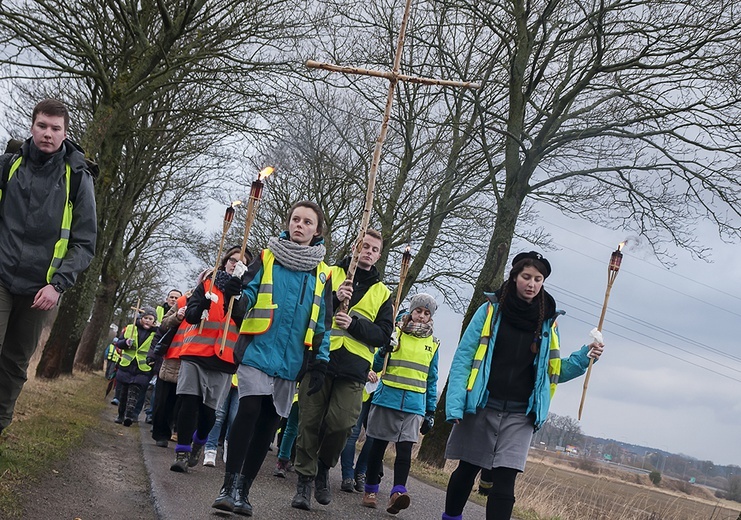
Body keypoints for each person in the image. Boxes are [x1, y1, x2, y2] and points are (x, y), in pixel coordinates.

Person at [442, 251, 604, 520]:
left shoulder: (548, 322)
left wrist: (584, 358)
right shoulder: (490, 311)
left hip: (521, 414)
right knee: (467, 470)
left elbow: (554, 371)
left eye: (538, 279)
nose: (532, 283)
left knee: (505, 481)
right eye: (526, 277)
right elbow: (463, 359)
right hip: (481, 406)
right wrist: (456, 404)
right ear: (515, 277)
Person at [211, 201, 333, 517]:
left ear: (316, 230)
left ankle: (244, 491)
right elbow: (247, 299)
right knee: (249, 409)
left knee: (268, 422)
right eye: (295, 219)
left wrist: (320, 360)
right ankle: (227, 485)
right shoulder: (267, 257)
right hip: (257, 350)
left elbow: (323, 322)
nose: (300, 225)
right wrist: (236, 294)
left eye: (307, 222)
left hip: (291, 363)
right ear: (288, 223)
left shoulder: (323, 273)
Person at [0, 99, 97, 435]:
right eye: (42, 126)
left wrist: (58, 285)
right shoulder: (9, 164)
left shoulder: (78, 178)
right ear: (32, 127)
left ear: (65, 133)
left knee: (14, 363)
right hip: (1, 274)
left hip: (40, 290)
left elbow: (85, 243)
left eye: (55, 128)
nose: (47, 133)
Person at [291, 229, 394, 511]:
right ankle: (304, 482)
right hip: (319, 359)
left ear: (379, 255)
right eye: (365, 246)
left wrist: (355, 325)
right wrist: (334, 299)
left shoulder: (383, 292)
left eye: (375, 249)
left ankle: (324, 466)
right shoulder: (329, 274)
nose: (369, 252)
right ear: (355, 247)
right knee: (309, 422)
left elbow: (384, 334)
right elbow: (307, 312)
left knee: (342, 424)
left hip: (353, 369)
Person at [170, 246, 248, 473]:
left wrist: (237, 296)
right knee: (187, 402)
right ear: (225, 262)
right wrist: (202, 304)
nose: (235, 264)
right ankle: (182, 452)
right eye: (232, 260)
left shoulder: (248, 291)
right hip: (195, 352)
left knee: (208, 413)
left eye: (241, 262)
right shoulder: (207, 283)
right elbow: (191, 314)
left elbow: (243, 318)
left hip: (224, 358)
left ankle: (200, 441)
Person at [361, 293, 440, 513]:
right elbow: (377, 364)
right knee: (378, 447)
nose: (421, 316)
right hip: (388, 399)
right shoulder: (395, 333)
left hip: (414, 405)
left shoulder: (433, 343)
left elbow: (431, 379)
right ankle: (370, 489)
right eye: (418, 311)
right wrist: (385, 348)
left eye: (426, 313)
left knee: (404, 451)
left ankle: (397, 493)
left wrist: (430, 410)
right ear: (411, 311)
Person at [114, 307, 158, 426]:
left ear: (154, 321)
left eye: (150, 319)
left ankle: (129, 415)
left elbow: (155, 348)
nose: (148, 321)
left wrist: (152, 359)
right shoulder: (130, 328)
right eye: (145, 318)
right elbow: (119, 343)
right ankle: (120, 414)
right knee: (123, 393)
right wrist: (126, 342)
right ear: (141, 318)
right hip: (127, 366)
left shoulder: (155, 334)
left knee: (134, 392)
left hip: (142, 368)